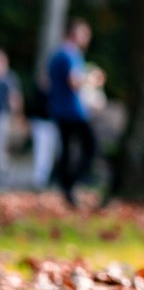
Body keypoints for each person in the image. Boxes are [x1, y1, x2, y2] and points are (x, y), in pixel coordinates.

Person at [47, 21, 99, 206]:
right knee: (90, 146)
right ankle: (70, 183)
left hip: (61, 109)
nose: (87, 39)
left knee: (68, 149)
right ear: (74, 34)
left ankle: (65, 185)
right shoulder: (69, 54)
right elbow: (73, 82)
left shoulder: (57, 54)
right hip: (72, 111)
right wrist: (92, 78)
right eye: (84, 34)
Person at [25, 75, 58, 191]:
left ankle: (46, 177)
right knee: (40, 151)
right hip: (39, 124)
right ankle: (38, 178)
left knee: (50, 152)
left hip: (51, 124)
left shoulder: (54, 93)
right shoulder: (38, 92)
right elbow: (31, 108)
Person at [0, 50, 21, 187]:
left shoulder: (10, 77)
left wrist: (17, 115)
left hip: (3, 115)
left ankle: (4, 169)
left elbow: (15, 98)